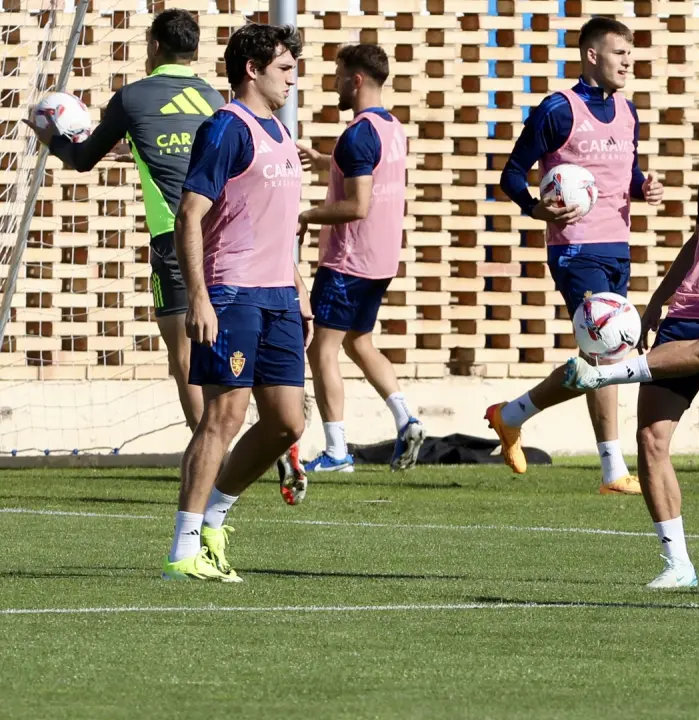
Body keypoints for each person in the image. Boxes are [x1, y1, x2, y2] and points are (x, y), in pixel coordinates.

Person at [492, 73, 699, 588]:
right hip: (690, 310)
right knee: (651, 439)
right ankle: (678, 566)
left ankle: (609, 374)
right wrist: (657, 301)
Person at [487, 17, 663, 495]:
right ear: (591, 55)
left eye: (630, 54)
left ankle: (511, 415)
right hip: (576, 249)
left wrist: (644, 187)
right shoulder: (558, 109)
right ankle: (612, 470)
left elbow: (627, 174)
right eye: (619, 53)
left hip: (618, 246)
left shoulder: (628, 111)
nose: (627, 62)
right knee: (609, 350)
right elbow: (511, 173)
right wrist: (534, 208)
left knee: (602, 356)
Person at [25, 9, 222, 435]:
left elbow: (82, 159)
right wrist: (134, 147)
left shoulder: (132, 99)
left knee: (184, 357)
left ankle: (213, 454)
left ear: (154, 46)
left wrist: (51, 139)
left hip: (174, 239)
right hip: (222, 237)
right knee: (222, 348)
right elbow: (184, 151)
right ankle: (247, 440)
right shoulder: (214, 100)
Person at [162, 24, 309, 581]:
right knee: (223, 416)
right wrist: (199, 297)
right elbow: (189, 215)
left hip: (278, 297)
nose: (292, 79)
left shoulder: (281, 132)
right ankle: (183, 552)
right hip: (231, 293)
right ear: (252, 69)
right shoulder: (227, 127)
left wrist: (297, 285)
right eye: (285, 68)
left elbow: (273, 222)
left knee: (287, 423)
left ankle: (215, 516)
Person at [293, 43, 425, 474]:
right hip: (381, 260)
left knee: (321, 350)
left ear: (356, 80)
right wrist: (324, 161)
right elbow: (366, 169)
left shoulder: (357, 134)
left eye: (337, 76)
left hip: (348, 262)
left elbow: (357, 205)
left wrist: (307, 216)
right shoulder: (392, 127)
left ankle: (336, 452)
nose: (334, 84)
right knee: (359, 342)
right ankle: (406, 419)